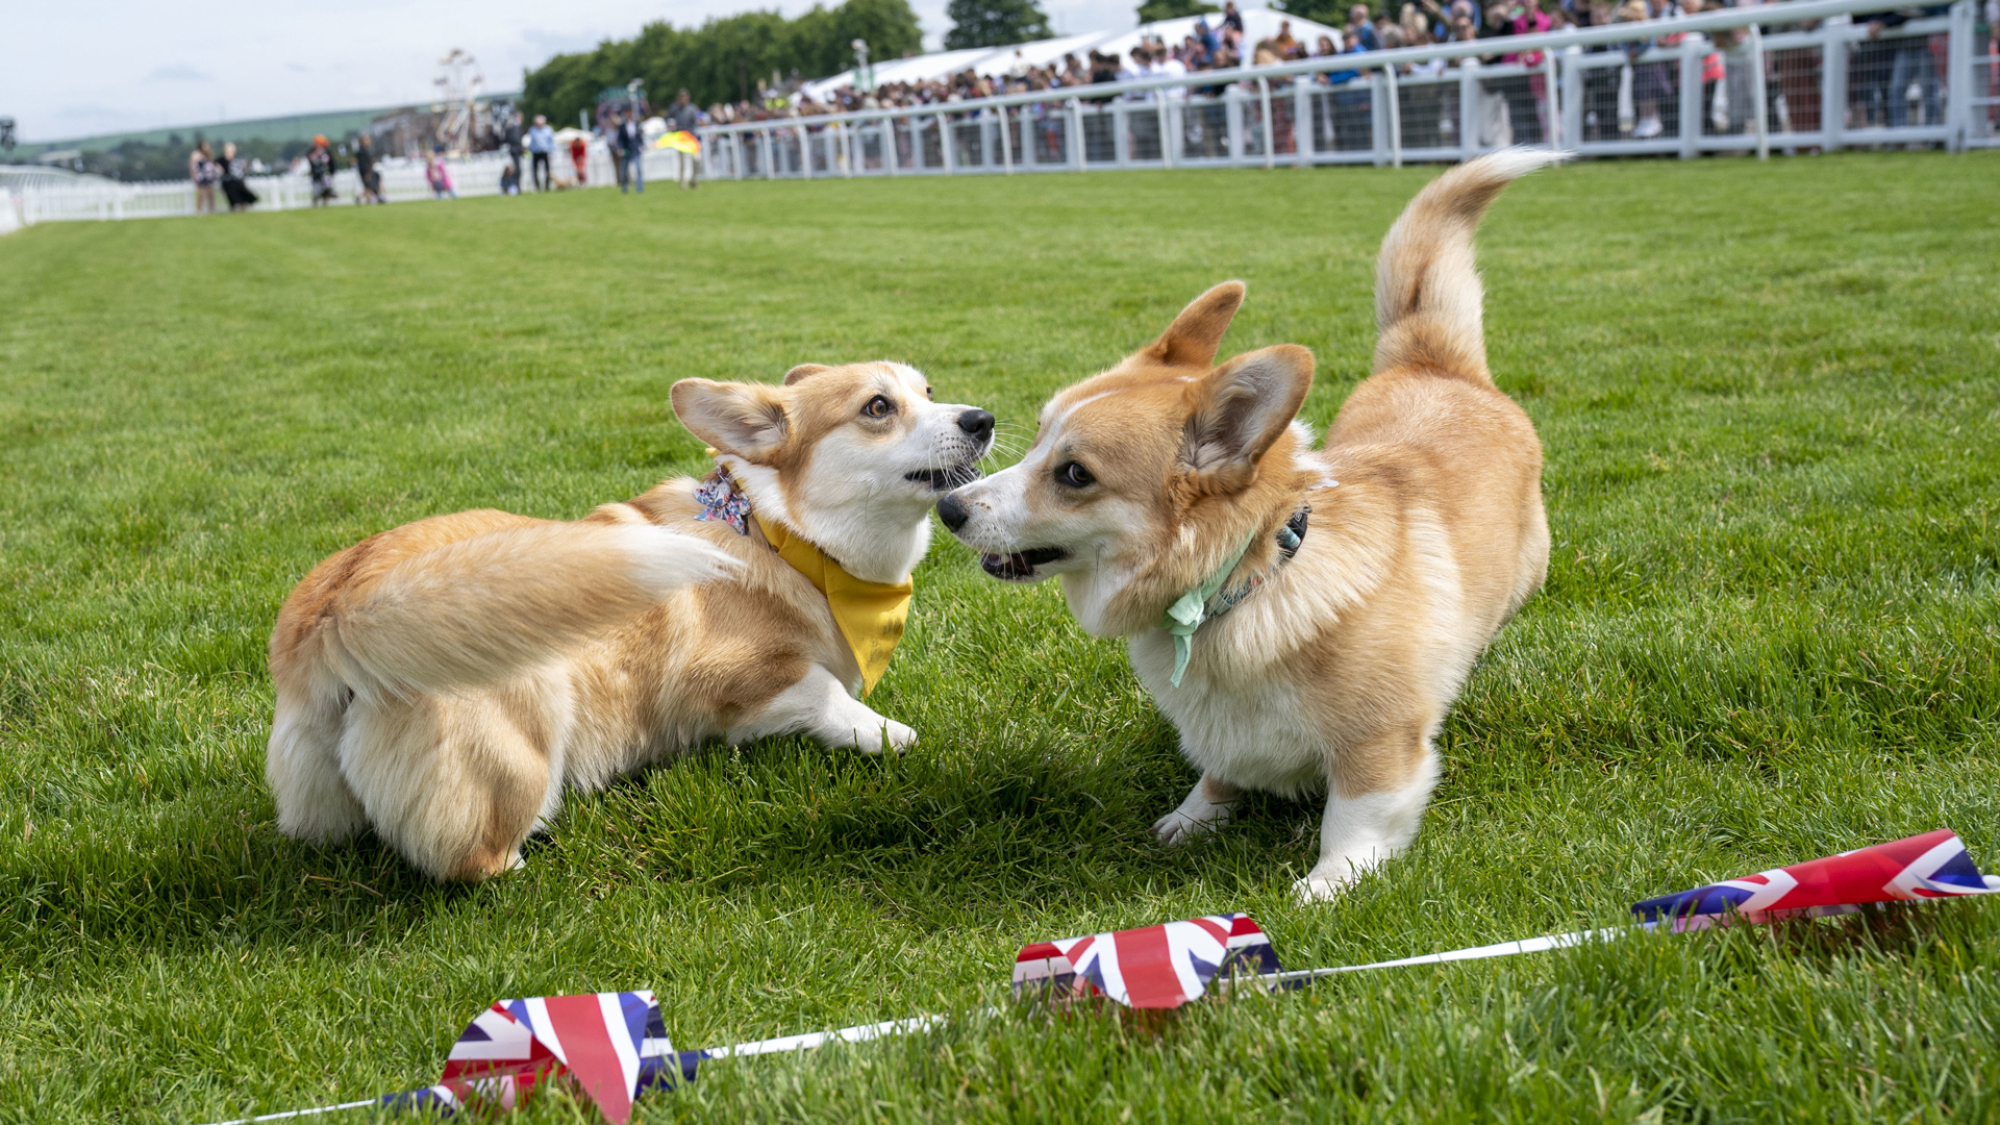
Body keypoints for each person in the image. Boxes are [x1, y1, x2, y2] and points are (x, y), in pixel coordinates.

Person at [665, 88, 703, 189]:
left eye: (684, 97)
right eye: (680, 98)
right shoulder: (674, 109)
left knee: (697, 159)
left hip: (690, 138)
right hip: (680, 138)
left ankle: (694, 180)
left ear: (687, 98)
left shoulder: (691, 109)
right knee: (682, 162)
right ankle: (682, 183)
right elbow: (668, 119)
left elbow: (695, 123)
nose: (682, 100)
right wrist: (671, 126)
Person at [219, 142, 258, 211]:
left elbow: (242, 169)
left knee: (243, 197)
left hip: (238, 182)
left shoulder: (237, 159)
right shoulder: (221, 160)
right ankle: (233, 212)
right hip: (228, 183)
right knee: (232, 200)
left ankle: (243, 212)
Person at [613, 110, 645, 193]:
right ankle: (624, 187)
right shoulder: (622, 126)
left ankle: (639, 188)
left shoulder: (637, 124)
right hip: (626, 149)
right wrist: (619, 149)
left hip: (635, 149)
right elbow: (619, 139)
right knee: (624, 170)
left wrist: (642, 145)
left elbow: (639, 137)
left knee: (638, 169)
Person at [189, 141, 220, 214]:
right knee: (201, 196)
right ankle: (199, 210)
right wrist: (194, 178)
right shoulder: (196, 155)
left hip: (209, 177)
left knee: (211, 195)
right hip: (201, 178)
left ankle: (212, 210)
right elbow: (193, 167)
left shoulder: (209, 155)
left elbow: (213, 165)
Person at [353, 134, 384, 204]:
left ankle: (366, 199)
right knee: (369, 187)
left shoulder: (367, 150)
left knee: (370, 187)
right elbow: (362, 164)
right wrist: (366, 173)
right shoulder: (361, 152)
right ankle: (361, 198)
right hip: (366, 172)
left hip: (369, 171)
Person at [527, 114, 555, 191]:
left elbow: (552, 142)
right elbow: (530, 142)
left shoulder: (548, 130)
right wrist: (528, 153)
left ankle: (547, 187)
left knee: (548, 170)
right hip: (535, 152)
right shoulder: (532, 130)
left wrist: (552, 153)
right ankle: (537, 187)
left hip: (545, 152)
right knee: (535, 170)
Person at [306, 135, 336, 207]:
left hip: (325, 173)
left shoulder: (327, 152)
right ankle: (315, 203)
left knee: (326, 189)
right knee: (316, 190)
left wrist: (332, 172)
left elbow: (331, 163)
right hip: (316, 174)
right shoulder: (312, 152)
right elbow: (310, 160)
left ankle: (325, 202)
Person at [503, 110, 524, 186]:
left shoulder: (515, 127)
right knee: (517, 169)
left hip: (516, 150)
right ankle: (515, 185)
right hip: (515, 150)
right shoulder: (513, 127)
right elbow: (514, 139)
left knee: (517, 169)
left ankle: (516, 185)